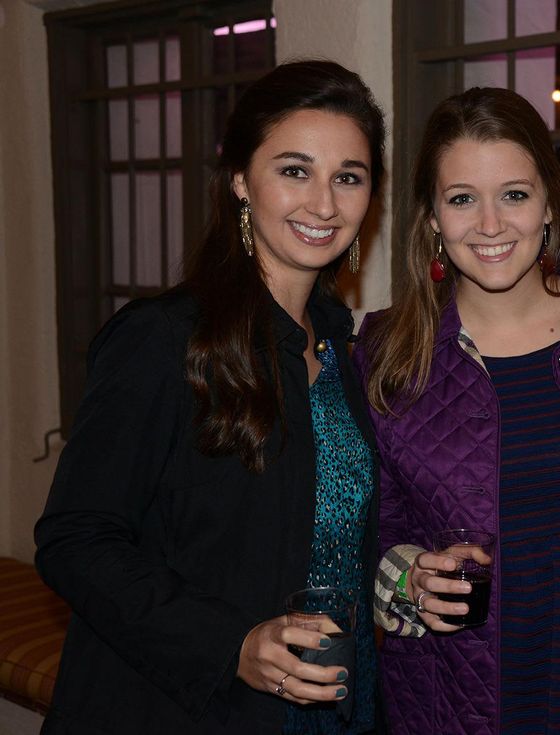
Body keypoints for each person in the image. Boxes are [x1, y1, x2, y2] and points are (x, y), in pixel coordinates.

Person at [34, 60, 386, 735]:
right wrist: (230, 643)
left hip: (338, 706)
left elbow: (330, 530)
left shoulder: (340, 347)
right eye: (295, 170)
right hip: (185, 709)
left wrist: (401, 572)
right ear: (239, 181)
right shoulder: (165, 338)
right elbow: (75, 538)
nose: (324, 204)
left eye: (349, 177)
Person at [353, 87, 560, 735]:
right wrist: (406, 582)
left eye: (514, 194)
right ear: (433, 216)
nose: (490, 225)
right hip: (446, 705)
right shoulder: (385, 353)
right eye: (462, 198)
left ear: (549, 204)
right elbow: (365, 534)